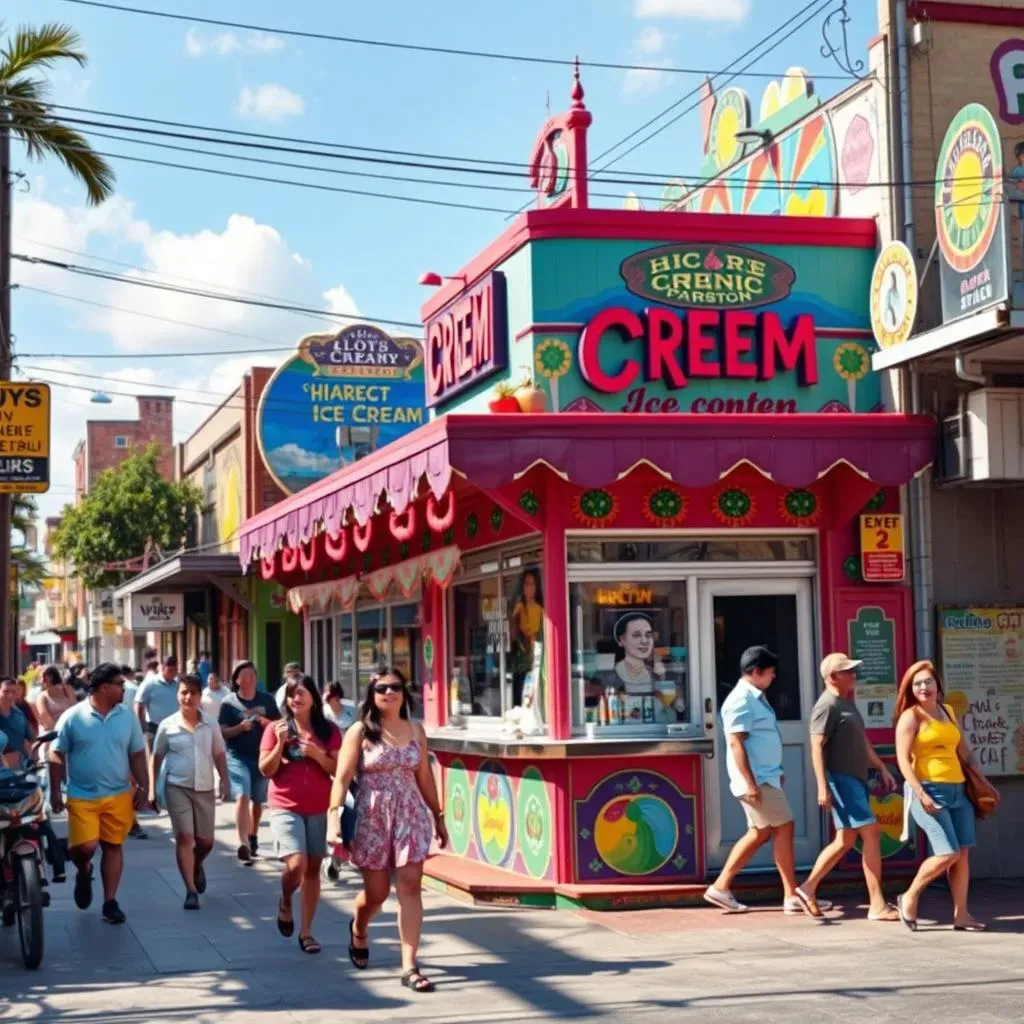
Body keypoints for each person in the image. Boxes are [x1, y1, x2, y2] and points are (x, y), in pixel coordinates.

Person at [329, 668, 447, 993]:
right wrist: (334, 817)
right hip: (372, 816)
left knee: (410, 885)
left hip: (410, 814)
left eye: (396, 687)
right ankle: (359, 926)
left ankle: (409, 965)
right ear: (373, 693)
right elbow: (341, 778)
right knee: (377, 894)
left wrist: (438, 815)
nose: (389, 692)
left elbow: (423, 776)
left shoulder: (416, 730)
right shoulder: (360, 731)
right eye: (382, 687)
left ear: (404, 693)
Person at [704, 646, 813, 916]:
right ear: (756, 672)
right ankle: (790, 895)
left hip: (766, 777)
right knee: (783, 826)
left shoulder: (754, 697)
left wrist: (775, 771)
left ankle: (722, 887)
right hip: (757, 780)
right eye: (770, 673)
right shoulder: (741, 700)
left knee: (762, 832)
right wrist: (751, 783)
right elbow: (736, 743)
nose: (773, 678)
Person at [894, 660, 998, 932]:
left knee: (962, 854)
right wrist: (920, 793)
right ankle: (909, 896)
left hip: (959, 790)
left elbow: (964, 752)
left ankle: (961, 914)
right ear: (910, 688)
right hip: (929, 789)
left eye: (928, 681)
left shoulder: (948, 711)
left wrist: (984, 782)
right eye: (917, 683)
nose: (923, 687)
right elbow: (903, 761)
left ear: (938, 685)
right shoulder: (911, 717)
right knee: (947, 852)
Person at [795, 653, 899, 921]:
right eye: (848, 671)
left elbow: (862, 742)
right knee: (872, 833)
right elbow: (816, 746)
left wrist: (881, 767)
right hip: (841, 779)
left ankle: (807, 888)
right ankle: (877, 904)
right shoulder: (826, 706)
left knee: (845, 840)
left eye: (853, 671)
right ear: (832, 677)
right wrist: (822, 786)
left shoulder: (847, 704)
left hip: (856, 779)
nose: (853, 675)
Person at [48, 662, 149, 924]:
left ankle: (110, 902)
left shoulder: (126, 716)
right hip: (82, 795)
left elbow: (137, 753)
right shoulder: (73, 717)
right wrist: (55, 792)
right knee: (85, 848)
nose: (124, 688)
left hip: (118, 794)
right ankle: (84, 870)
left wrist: (144, 787)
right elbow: (56, 752)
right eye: (119, 685)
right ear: (104, 688)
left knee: (113, 846)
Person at [259, 674, 341, 954]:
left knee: (313, 869)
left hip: (319, 806)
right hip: (285, 805)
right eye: (292, 694)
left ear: (314, 698)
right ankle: (285, 899)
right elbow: (265, 770)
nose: (297, 698)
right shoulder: (275, 728)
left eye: (302, 693)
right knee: (297, 864)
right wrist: (280, 744)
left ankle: (307, 932)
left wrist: (318, 754)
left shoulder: (328, 730)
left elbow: (338, 771)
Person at [150, 675, 230, 910]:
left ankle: (196, 864)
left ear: (199, 696)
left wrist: (224, 779)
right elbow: (156, 757)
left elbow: (219, 754)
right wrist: (153, 789)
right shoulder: (168, 725)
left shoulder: (210, 724)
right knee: (185, 837)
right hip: (177, 786)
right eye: (184, 692)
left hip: (205, 787)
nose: (188, 697)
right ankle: (190, 891)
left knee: (205, 841)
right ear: (177, 694)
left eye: (193, 693)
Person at [219, 660, 280, 864]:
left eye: (253, 674)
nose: (250, 677)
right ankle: (242, 842)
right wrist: (239, 729)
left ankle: (253, 836)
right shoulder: (228, 703)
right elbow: (221, 731)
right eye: (245, 675)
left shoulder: (267, 700)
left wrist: (263, 722)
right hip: (237, 756)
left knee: (257, 801)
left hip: (261, 757)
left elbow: (279, 725)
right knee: (242, 795)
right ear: (237, 680)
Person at [509, 568, 543, 706]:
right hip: (520, 659)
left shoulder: (540, 609)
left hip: (535, 657)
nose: (529, 588)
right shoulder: (519, 607)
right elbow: (512, 628)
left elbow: (539, 633)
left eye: (532, 584)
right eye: (527, 584)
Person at [613, 612, 666, 693]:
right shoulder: (612, 675)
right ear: (621, 640)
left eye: (648, 635)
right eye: (636, 635)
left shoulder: (655, 673)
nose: (644, 641)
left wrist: (661, 677)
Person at [135, 654, 181, 748]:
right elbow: (139, 704)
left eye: (176, 670)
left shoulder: (178, 684)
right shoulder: (150, 683)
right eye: (171, 670)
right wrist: (143, 727)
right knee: (155, 759)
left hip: (175, 728)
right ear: (163, 668)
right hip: (154, 728)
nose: (174, 673)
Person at [0, 676, 32, 767]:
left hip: (19, 770)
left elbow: (29, 739)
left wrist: (31, 759)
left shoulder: (19, 714)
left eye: (13, 692)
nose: (10, 695)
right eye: (5, 692)